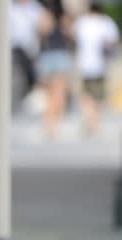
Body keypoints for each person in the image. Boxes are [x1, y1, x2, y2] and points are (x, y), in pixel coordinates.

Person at [74, 1, 120, 136]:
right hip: (100, 65)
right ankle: (94, 123)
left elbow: (73, 37)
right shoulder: (105, 22)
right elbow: (112, 41)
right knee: (98, 97)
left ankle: (90, 120)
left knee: (86, 95)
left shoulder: (82, 22)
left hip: (84, 65)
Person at [36, 0, 73, 138]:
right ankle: (51, 123)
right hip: (57, 56)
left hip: (50, 55)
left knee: (53, 94)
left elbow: (41, 32)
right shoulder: (58, 17)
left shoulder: (48, 16)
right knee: (56, 94)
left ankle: (50, 123)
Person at [10, 0, 45, 112]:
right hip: (13, 47)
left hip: (29, 49)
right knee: (15, 76)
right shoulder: (9, 7)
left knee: (31, 76)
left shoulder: (34, 7)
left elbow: (43, 24)